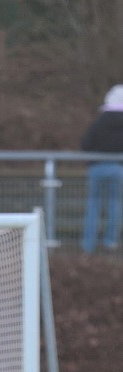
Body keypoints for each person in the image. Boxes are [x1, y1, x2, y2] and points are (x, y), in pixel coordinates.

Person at [81, 84, 123, 253]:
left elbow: (85, 144)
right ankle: (110, 241)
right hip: (118, 168)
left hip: (97, 168)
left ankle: (88, 244)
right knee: (115, 205)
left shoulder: (98, 123)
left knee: (93, 205)